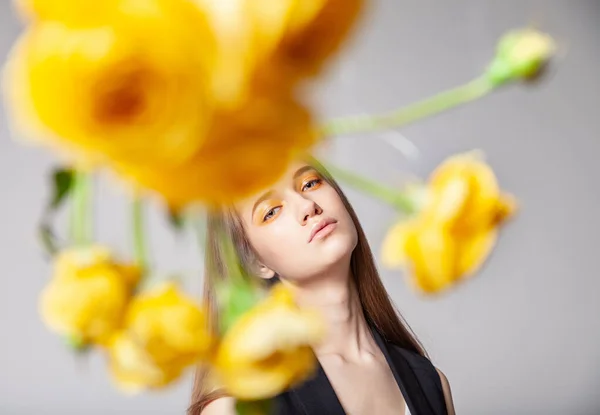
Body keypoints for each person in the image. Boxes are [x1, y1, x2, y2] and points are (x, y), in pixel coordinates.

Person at [188, 160, 456, 415]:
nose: (308, 206)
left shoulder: (431, 383)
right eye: (271, 212)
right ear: (256, 262)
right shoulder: (238, 406)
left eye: (310, 183)